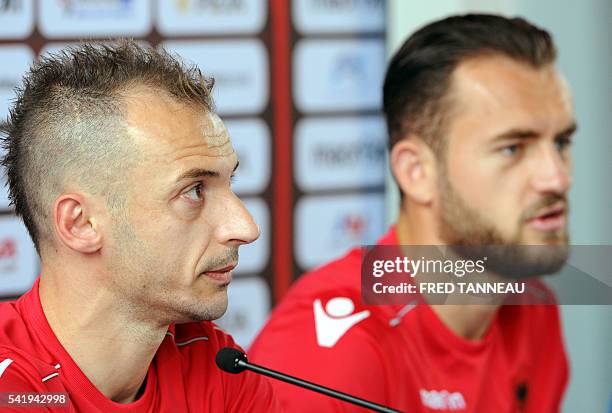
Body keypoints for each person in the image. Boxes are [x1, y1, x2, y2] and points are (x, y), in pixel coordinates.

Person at [250, 14, 575, 412]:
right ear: (416, 172)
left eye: (561, 142)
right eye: (513, 148)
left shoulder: (535, 307)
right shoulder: (332, 351)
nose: (557, 177)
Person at [0, 41, 280, 412]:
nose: (245, 227)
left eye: (229, 183)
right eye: (195, 190)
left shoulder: (217, 365)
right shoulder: (14, 389)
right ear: (81, 224)